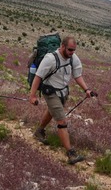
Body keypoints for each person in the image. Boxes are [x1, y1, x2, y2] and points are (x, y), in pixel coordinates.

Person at [29, 35, 95, 165]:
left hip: (63, 91)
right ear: (63, 46)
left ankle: (39, 131)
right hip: (50, 91)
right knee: (61, 120)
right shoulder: (50, 59)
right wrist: (32, 96)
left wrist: (87, 90)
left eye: (74, 50)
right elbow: (38, 77)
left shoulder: (73, 58)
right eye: (70, 50)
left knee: (51, 111)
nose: (72, 53)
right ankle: (70, 153)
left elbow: (77, 76)